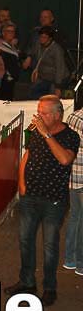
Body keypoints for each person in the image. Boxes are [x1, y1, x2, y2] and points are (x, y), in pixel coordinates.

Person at [5, 95, 80, 305]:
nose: (39, 116)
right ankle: (26, 282)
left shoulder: (71, 136)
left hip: (54, 201)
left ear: (57, 115)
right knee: (25, 241)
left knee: (49, 246)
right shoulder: (37, 131)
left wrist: (46, 134)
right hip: (30, 197)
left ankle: (49, 288)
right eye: (38, 112)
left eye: (44, 113)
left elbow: (64, 159)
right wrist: (21, 185)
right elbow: (26, 156)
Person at [24, 26, 69, 98]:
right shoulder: (38, 44)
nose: (42, 39)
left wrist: (58, 87)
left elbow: (59, 69)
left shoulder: (57, 49)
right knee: (32, 93)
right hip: (44, 76)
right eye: (41, 36)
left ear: (50, 38)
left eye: (44, 37)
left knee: (51, 97)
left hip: (56, 78)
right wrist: (29, 57)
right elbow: (32, 50)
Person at [65, 95, 83, 275]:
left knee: (75, 216)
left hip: (73, 175)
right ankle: (80, 263)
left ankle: (69, 259)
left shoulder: (74, 116)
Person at [0, 23, 22, 100]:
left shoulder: (12, 46)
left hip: (11, 81)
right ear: (3, 33)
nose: (11, 33)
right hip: (3, 80)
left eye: (13, 31)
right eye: (8, 31)